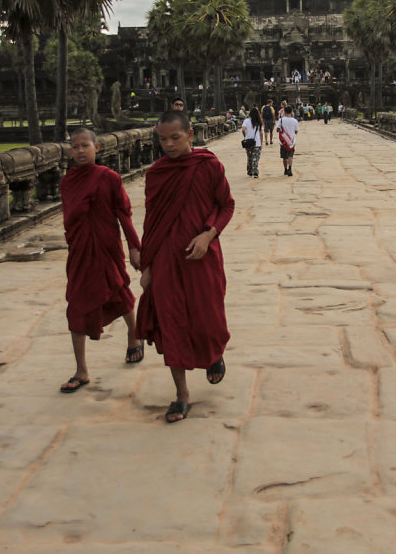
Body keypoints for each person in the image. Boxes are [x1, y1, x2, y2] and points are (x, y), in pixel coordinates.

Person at [137, 110, 235, 422]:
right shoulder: (156, 174)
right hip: (166, 258)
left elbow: (226, 205)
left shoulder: (208, 166)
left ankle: (214, 353)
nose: (167, 144)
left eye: (174, 138)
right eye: (162, 139)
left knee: (209, 322)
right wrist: (147, 265)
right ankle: (181, 395)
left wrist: (208, 235)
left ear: (190, 135)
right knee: (171, 326)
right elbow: (152, 221)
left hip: (202, 258)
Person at [59, 128, 143, 393]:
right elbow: (70, 215)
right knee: (76, 303)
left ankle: (134, 333)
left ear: (97, 147)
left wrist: (134, 247)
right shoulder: (68, 182)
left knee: (119, 292)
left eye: (85, 145)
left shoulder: (109, 178)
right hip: (80, 252)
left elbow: (124, 215)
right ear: (70, 150)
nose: (80, 151)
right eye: (75, 146)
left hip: (106, 248)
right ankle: (81, 370)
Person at [242, 106, 264, 178]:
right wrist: (261, 143)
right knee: (256, 158)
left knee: (249, 157)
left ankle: (250, 171)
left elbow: (243, 129)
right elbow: (261, 133)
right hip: (256, 142)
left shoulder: (246, 121)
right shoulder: (259, 122)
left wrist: (245, 136)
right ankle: (255, 171)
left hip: (248, 142)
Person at [276, 107, 299, 177]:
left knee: (284, 157)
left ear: (284, 112)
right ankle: (290, 168)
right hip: (291, 141)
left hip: (283, 141)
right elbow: (296, 131)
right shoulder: (295, 121)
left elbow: (277, 129)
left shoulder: (281, 120)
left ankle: (285, 169)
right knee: (290, 156)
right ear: (291, 111)